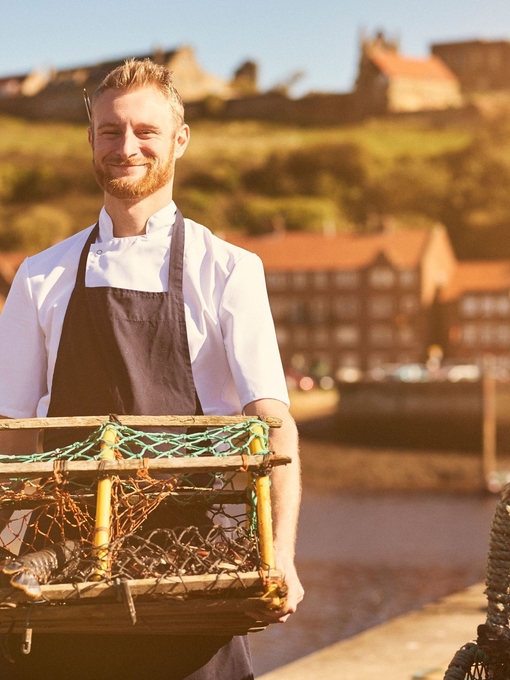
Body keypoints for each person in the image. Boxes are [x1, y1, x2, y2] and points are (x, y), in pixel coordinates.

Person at [0, 59, 303, 679]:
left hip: (193, 567)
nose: (126, 146)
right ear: (90, 140)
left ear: (179, 140)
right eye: (109, 132)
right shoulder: (40, 275)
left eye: (146, 131)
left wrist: (286, 558)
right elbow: (11, 434)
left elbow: (273, 424)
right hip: (63, 579)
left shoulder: (229, 269)